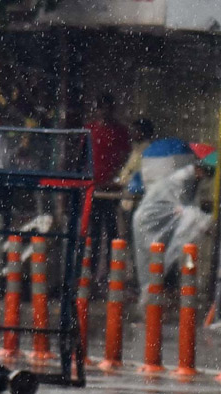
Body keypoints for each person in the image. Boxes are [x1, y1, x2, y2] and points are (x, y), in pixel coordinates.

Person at [131, 155, 214, 280]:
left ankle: (154, 288)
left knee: (156, 262)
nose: (204, 177)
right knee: (150, 261)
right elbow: (181, 208)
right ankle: (151, 289)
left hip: (158, 222)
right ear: (198, 168)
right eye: (205, 173)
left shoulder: (192, 180)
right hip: (148, 220)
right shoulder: (182, 178)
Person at [86, 94, 132, 287]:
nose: (103, 112)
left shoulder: (120, 132)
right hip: (93, 188)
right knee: (94, 234)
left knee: (112, 232)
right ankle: (92, 273)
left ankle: (110, 275)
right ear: (96, 110)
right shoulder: (90, 130)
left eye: (106, 108)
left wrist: (115, 176)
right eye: (100, 108)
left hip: (111, 189)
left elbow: (125, 156)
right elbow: (82, 156)